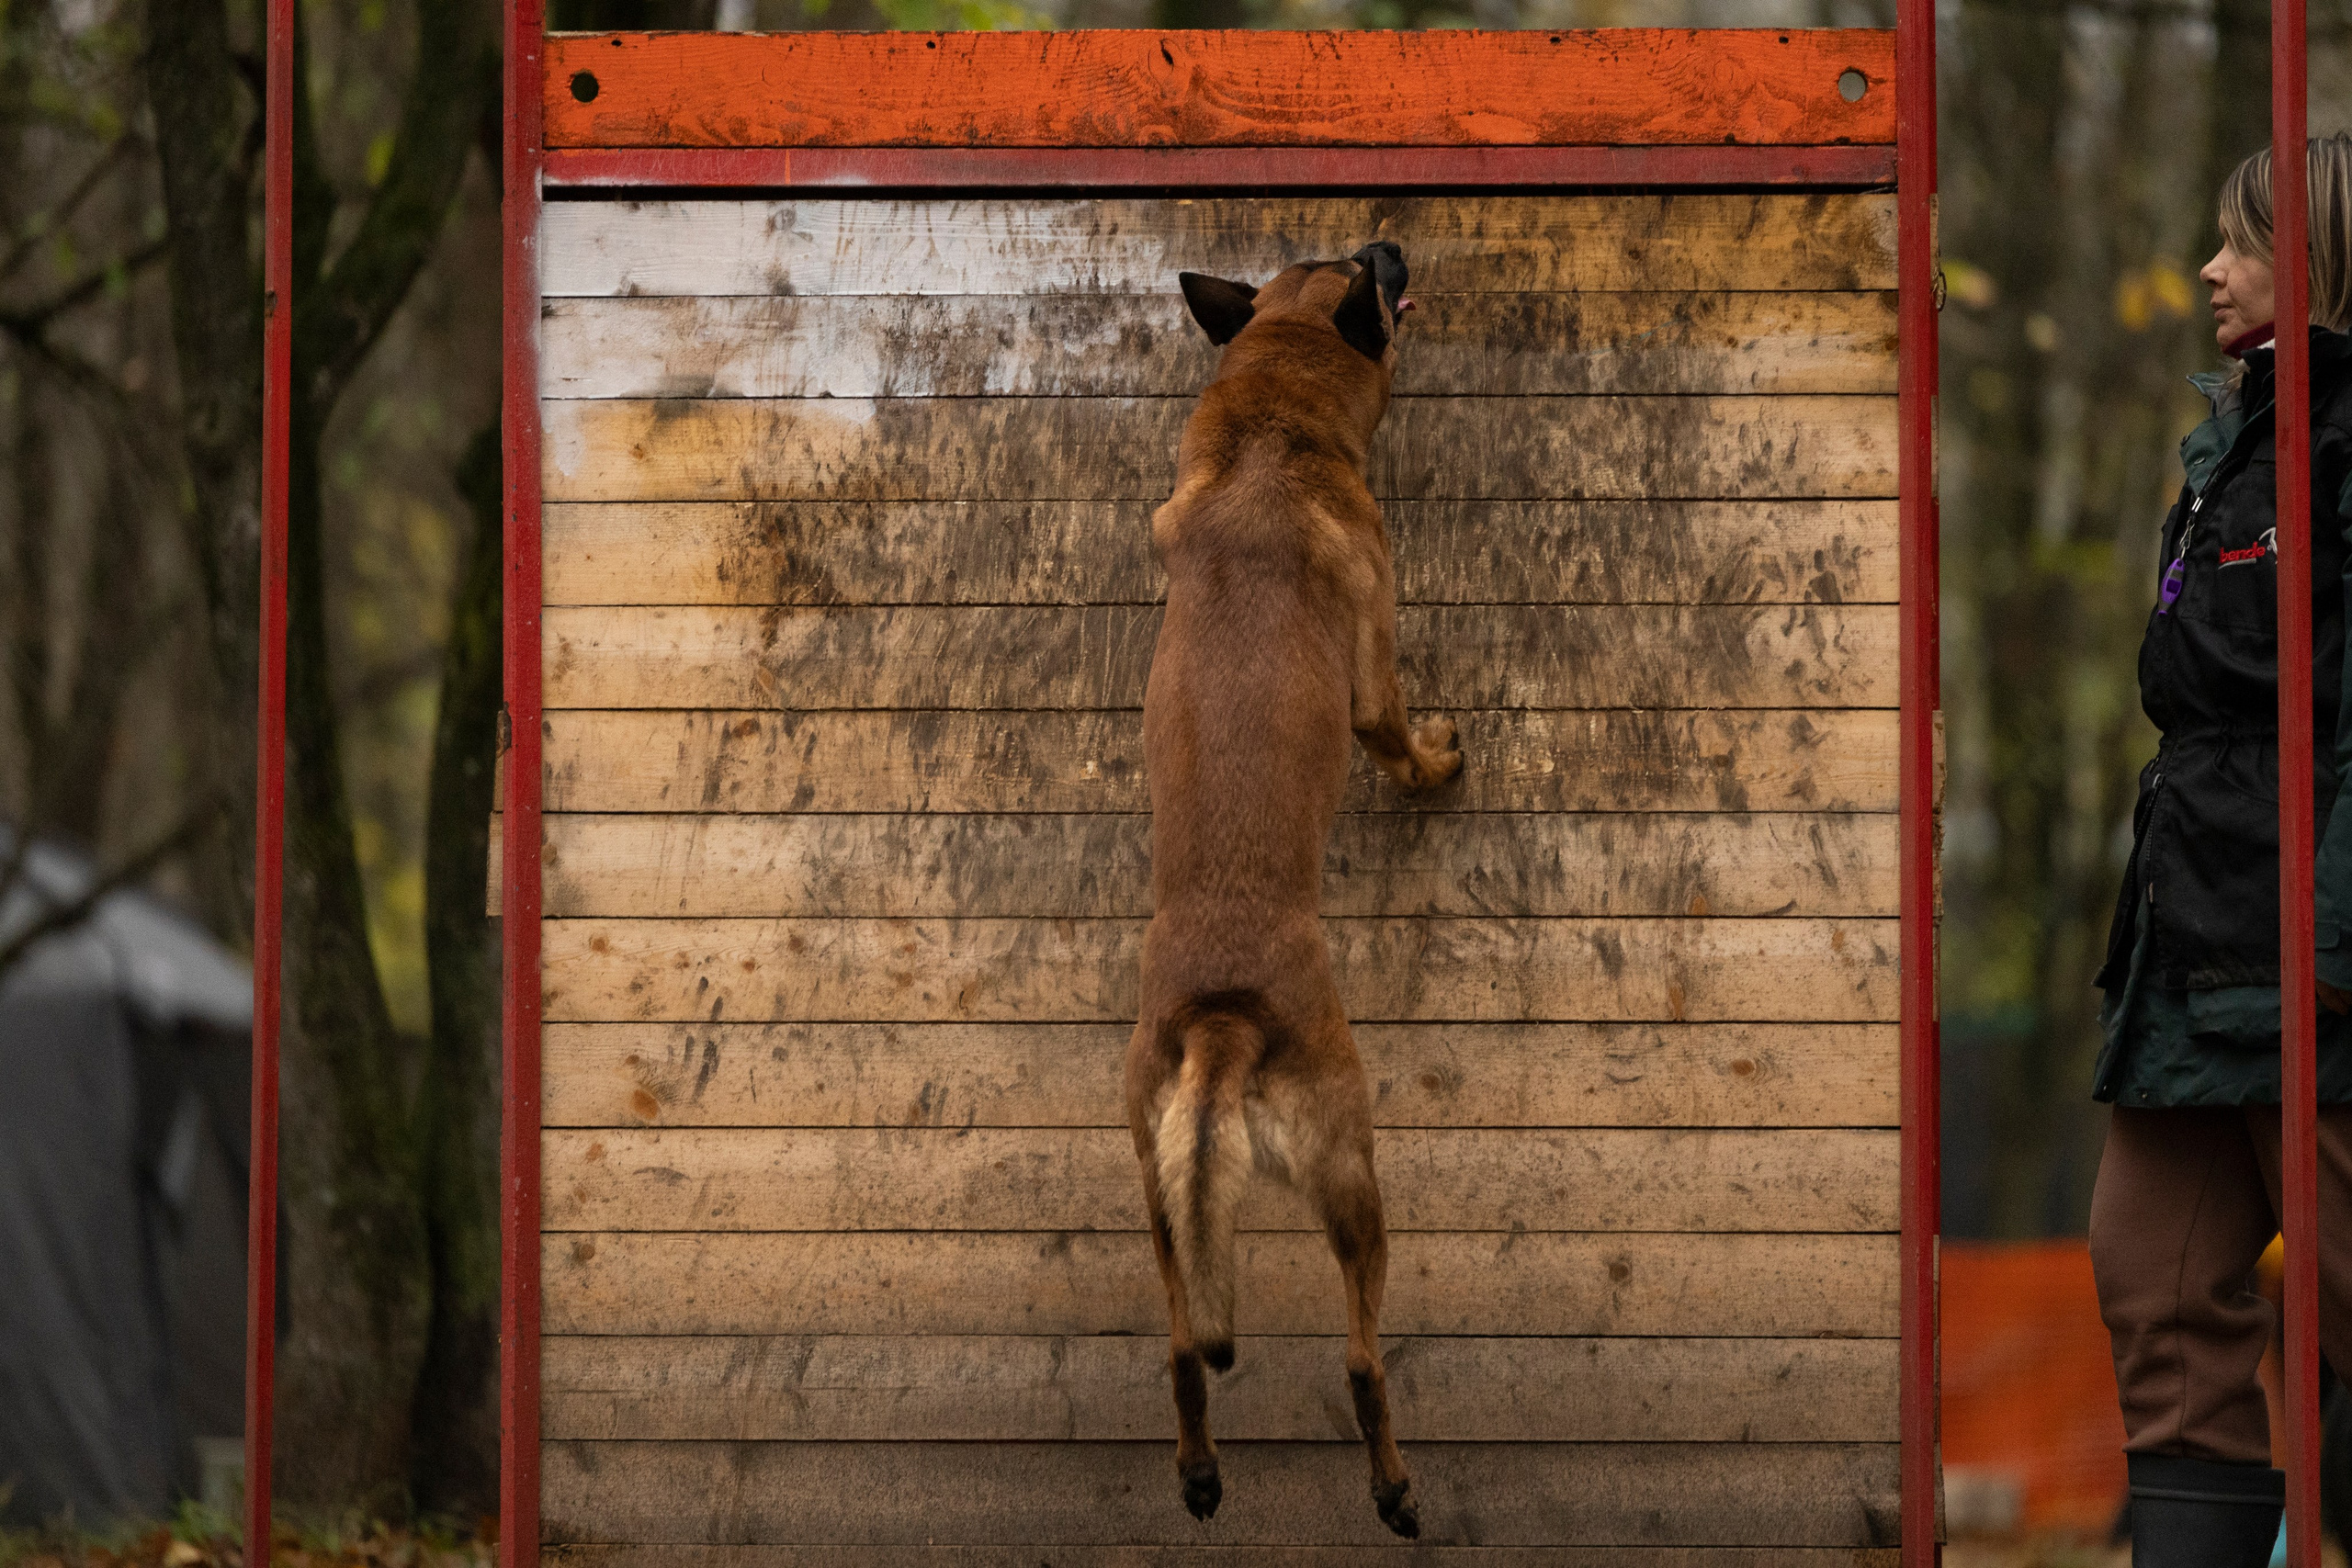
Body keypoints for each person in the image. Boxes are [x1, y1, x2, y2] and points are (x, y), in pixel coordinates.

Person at [2091, 131, 2352, 1566]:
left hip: (2311, 958)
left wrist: (2339, 941)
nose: (2209, 268)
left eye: (2242, 241)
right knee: (2152, 1282)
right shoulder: (2234, 440)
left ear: (2320, 258)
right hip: (2195, 952)